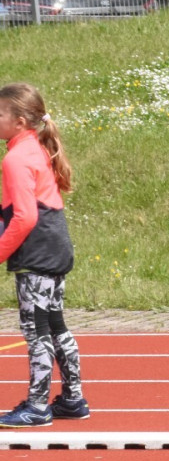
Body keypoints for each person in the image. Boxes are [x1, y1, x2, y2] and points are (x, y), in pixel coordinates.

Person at [0, 83, 87, 428]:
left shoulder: (16, 158)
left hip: (37, 253)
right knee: (54, 325)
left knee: (36, 331)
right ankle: (73, 398)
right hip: (54, 246)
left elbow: (25, 217)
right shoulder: (35, 148)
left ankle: (37, 406)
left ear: (19, 121)